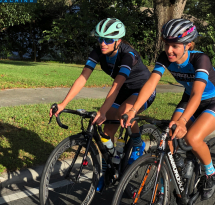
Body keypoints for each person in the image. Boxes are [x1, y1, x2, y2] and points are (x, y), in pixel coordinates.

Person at [49, 18, 156, 192]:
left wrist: (103, 111)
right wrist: (63, 103)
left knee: (124, 111)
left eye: (108, 40)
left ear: (118, 41)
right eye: (100, 39)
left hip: (142, 90)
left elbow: (117, 84)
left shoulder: (127, 55)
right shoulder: (98, 52)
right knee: (106, 134)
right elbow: (83, 78)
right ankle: (109, 169)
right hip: (123, 92)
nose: (103, 43)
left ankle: (138, 143)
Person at [122, 18, 215, 201]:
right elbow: (151, 83)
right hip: (189, 99)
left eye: (175, 46)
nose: (169, 50)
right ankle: (173, 170)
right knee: (169, 136)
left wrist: (183, 121)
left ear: (188, 45)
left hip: (211, 100)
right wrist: (133, 110)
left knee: (193, 137)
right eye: (166, 45)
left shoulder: (200, 59)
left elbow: (198, 94)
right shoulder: (165, 57)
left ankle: (210, 173)